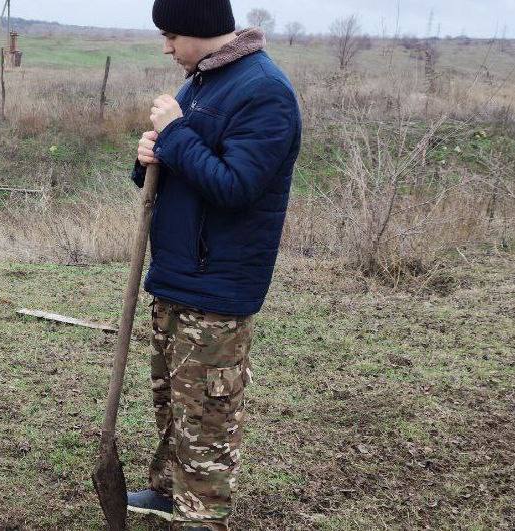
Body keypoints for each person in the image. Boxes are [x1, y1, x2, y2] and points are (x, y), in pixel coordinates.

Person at [127, 0, 302, 529]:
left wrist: (176, 135)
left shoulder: (264, 92)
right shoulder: (199, 83)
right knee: (171, 398)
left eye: (171, 35)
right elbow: (181, 169)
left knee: (206, 410)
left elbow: (235, 186)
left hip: (218, 280)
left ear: (201, 31)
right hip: (176, 272)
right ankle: (169, 491)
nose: (166, 47)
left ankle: (203, 515)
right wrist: (147, 159)